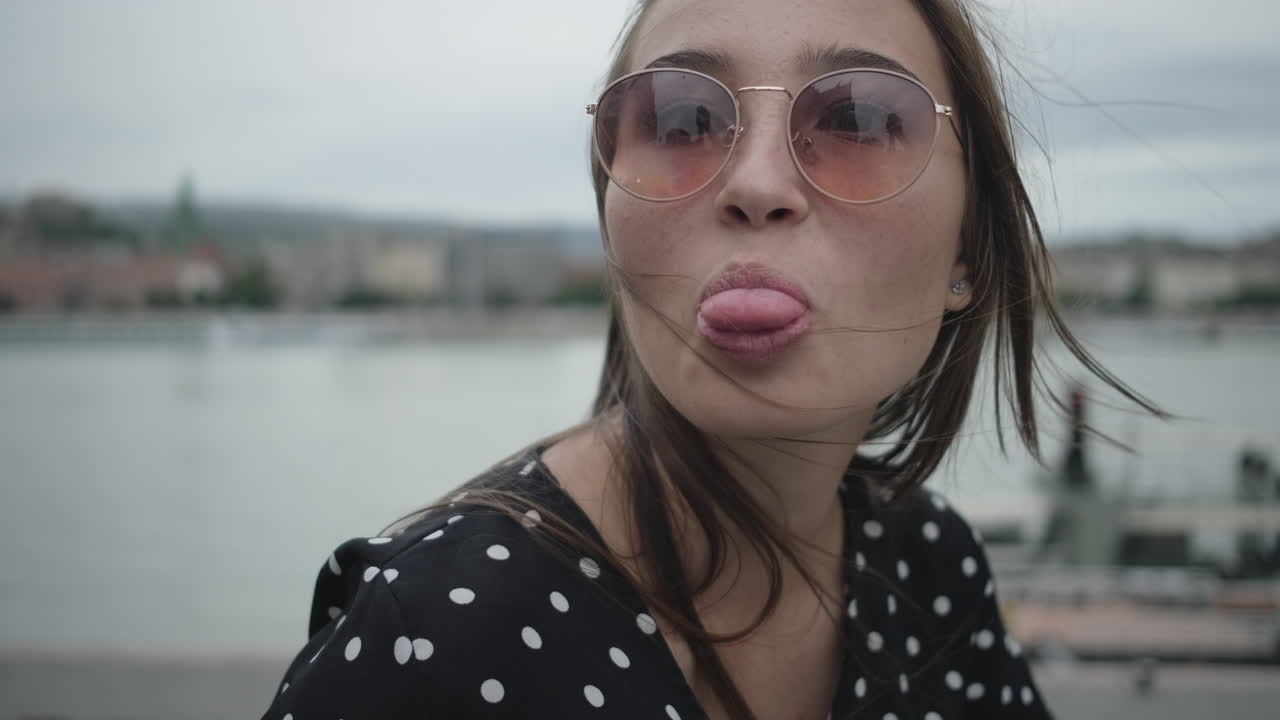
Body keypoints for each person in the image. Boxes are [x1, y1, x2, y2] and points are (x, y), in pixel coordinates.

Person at [261, 0, 1159, 718]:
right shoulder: (429, 643)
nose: (758, 185)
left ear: (970, 250)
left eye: (856, 117)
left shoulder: (932, 568)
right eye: (682, 118)